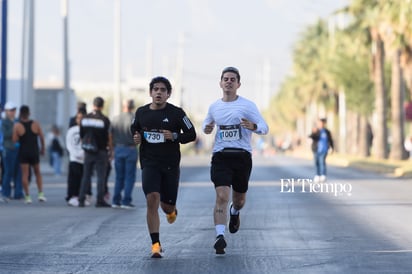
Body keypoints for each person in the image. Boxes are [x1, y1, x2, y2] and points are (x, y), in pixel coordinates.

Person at [202, 66, 269, 255]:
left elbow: (264, 127)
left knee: (238, 200)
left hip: (242, 156)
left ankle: (235, 212)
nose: (229, 82)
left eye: (233, 79)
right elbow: (206, 124)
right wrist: (207, 128)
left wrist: (253, 126)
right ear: (220, 83)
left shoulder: (248, 106)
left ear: (238, 84)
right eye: (226, 79)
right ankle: (219, 236)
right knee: (222, 196)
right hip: (221, 156)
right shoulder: (214, 107)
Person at [131, 76, 196, 258]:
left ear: (168, 94)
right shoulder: (141, 112)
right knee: (152, 199)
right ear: (151, 92)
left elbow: (191, 134)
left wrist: (174, 136)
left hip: (170, 165)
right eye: (155, 89)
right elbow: (134, 129)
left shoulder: (177, 113)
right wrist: (136, 137)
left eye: (162, 90)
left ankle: (172, 210)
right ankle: (155, 244)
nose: (158, 92)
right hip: (149, 163)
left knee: (166, 208)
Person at [78, 97, 112, 208]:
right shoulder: (104, 120)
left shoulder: (85, 118)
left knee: (86, 176)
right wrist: (110, 150)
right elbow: (108, 136)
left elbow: (82, 135)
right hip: (101, 152)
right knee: (100, 177)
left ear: (93, 105)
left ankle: (81, 200)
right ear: (102, 106)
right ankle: (99, 200)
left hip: (88, 151)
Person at [12, 105, 47, 204]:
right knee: (37, 173)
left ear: (20, 114)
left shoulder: (17, 126)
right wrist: (43, 148)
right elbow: (41, 137)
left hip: (23, 152)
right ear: (29, 113)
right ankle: (41, 194)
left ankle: (27, 196)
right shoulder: (35, 124)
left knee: (25, 174)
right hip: (34, 151)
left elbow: (14, 140)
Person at [111, 99, 138, 209]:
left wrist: (112, 148)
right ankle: (126, 201)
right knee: (129, 177)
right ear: (133, 106)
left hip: (118, 148)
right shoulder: (135, 119)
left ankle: (115, 200)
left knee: (119, 176)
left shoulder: (116, 118)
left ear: (123, 106)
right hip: (131, 149)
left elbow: (110, 134)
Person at [1, 102, 23, 200]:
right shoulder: (4, 122)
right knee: (8, 171)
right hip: (8, 149)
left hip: (18, 148)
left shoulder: (18, 121)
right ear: (6, 111)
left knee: (19, 172)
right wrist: (15, 129)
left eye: (14, 110)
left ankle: (18, 193)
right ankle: (6, 193)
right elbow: (5, 134)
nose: (13, 112)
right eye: (11, 110)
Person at [65, 111, 86, 206]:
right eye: (78, 118)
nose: (80, 120)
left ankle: (80, 196)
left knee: (82, 178)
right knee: (73, 179)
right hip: (74, 158)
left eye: (82, 118)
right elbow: (69, 144)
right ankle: (72, 196)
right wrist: (75, 153)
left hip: (84, 159)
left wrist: (83, 153)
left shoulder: (86, 129)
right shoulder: (71, 130)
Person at [308, 118, 334, 183]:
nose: (320, 124)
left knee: (322, 162)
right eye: (319, 123)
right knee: (316, 162)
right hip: (316, 149)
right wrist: (313, 132)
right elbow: (311, 137)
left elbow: (330, 140)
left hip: (324, 149)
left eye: (321, 123)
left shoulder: (327, 131)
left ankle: (323, 175)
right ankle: (317, 175)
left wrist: (332, 147)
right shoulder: (316, 130)